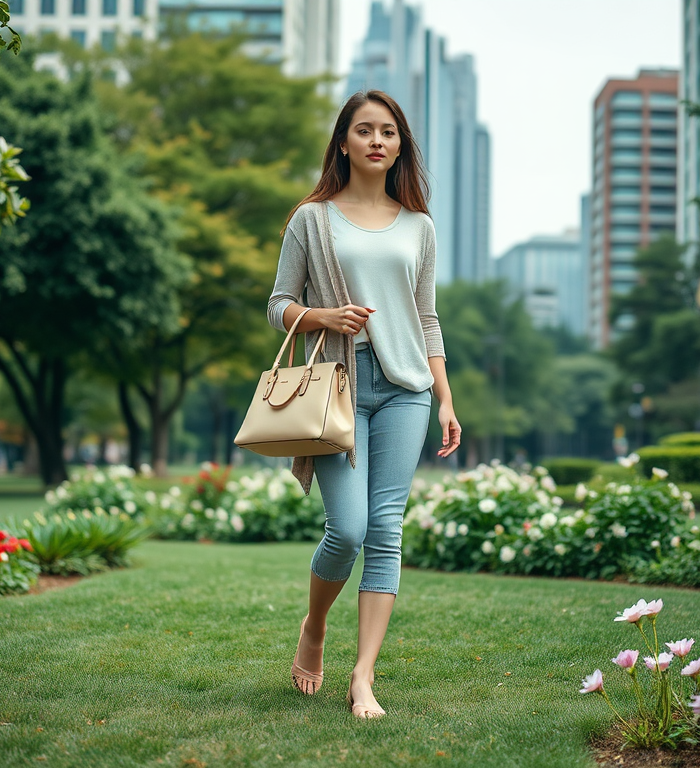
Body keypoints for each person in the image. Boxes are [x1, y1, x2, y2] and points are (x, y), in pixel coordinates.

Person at [267, 90, 461, 720]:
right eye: (364, 130)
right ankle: (315, 626)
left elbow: (426, 318)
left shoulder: (419, 226)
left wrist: (446, 398)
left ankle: (363, 677)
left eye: (389, 132)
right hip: (337, 386)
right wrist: (319, 314)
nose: (377, 140)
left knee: (385, 530)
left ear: (400, 145)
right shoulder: (312, 219)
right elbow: (277, 305)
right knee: (346, 529)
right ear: (343, 142)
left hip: (406, 389)